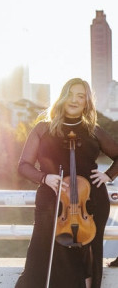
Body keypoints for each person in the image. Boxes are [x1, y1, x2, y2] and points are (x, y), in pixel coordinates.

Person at [14, 78, 118, 288]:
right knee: (44, 253)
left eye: (81, 96)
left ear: (87, 102)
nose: (75, 100)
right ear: (62, 97)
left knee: (86, 254)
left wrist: (108, 175)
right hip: (52, 200)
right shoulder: (42, 129)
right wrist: (45, 178)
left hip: (89, 202)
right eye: (70, 94)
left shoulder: (93, 130)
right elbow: (23, 165)